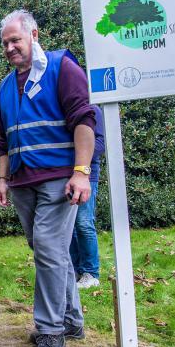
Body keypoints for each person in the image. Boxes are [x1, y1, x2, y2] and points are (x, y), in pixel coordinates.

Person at [0, 9, 96, 347]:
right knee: (51, 252)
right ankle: (73, 321)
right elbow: (4, 142)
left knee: (49, 251)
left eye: (15, 40)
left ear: (33, 35)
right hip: (22, 183)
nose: (9, 47)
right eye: (5, 43)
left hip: (59, 179)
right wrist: (3, 180)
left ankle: (51, 330)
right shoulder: (5, 87)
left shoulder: (61, 67)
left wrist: (81, 172)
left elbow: (84, 121)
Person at [70, 106, 105, 290]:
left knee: (84, 223)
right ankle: (76, 271)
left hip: (86, 176)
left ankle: (91, 273)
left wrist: (77, 153)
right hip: (65, 176)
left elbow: (100, 143)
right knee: (70, 227)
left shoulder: (92, 109)